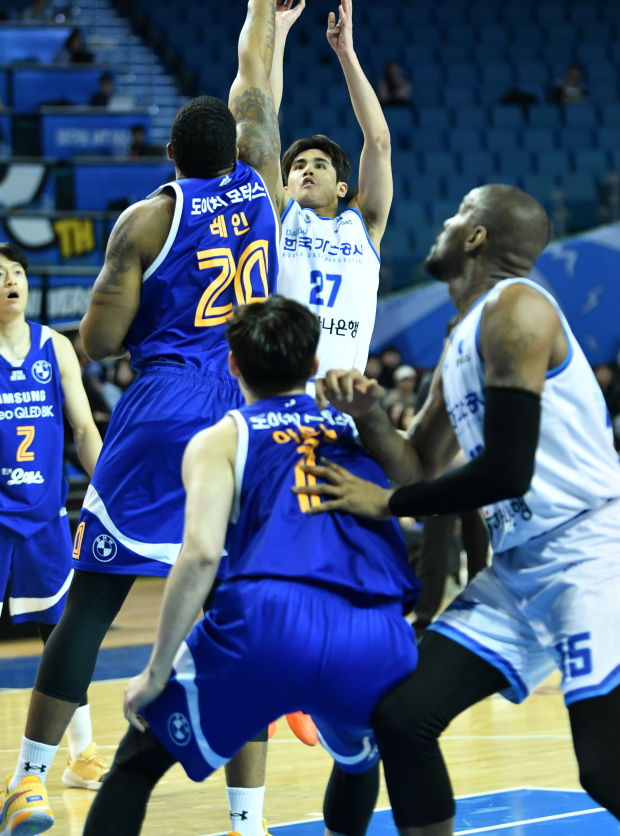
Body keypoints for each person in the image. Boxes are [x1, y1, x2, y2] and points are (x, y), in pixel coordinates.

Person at [0, 0, 292, 836]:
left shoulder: (145, 221)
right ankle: (248, 820)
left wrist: (134, 304)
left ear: (171, 155)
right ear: (238, 150)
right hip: (248, 411)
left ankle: (29, 782)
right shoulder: (267, 183)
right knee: (242, 613)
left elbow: (94, 342)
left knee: (92, 602)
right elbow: (255, 89)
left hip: (167, 406)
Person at [296, 184, 620, 834]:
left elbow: (507, 470)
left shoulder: (519, 311)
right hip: (523, 567)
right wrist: (368, 417)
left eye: (455, 216)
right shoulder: (462, 337)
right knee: (401, 717)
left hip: (592, 555)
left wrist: (389, 503)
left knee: (606, 764)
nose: (442, 225)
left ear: (475, 236)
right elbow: (420, 462)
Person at [79, 295, 420, 836]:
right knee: (359, 760)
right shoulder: (352, 428)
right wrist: (374, 416)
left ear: (232, 363)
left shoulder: (221, 439)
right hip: (373, 628)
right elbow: (417, 476)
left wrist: (156, 669)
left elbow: (200, 556)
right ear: (312, 365)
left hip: (267, 623)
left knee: (136, 765)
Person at [226, 0, 391, 382]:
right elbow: (263, 123)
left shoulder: (363, 226)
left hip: (340, 401)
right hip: (280, 392)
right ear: (285, 183)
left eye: (319, 165)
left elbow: (379, 142)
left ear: (341, 188)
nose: (307, 170)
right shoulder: (280, 217)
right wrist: (279, 33)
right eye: (298, 166)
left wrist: (347, 55)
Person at [0, 243, 105, 805]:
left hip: (44, 515)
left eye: (17, 273)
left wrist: (105, 489)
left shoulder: (54, 347)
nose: (11, 281)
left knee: (59, 633)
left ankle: (80, 756)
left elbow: (83, 430)